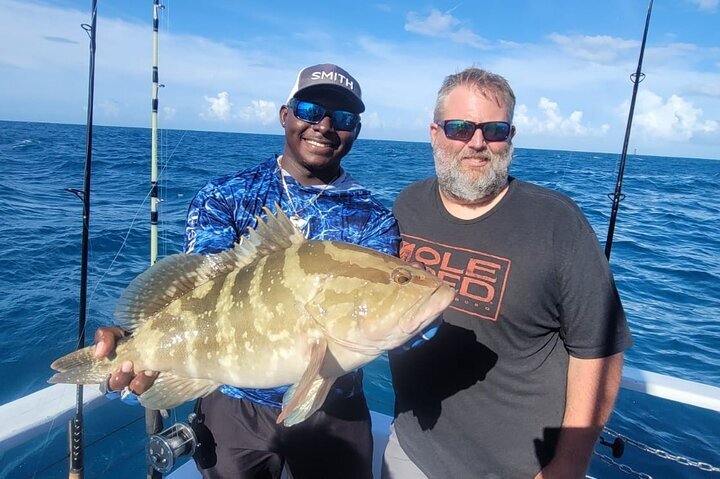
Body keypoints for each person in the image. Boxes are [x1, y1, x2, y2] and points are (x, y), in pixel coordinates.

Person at [93, 63, 400, 479]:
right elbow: (200, 289)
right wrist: (137, 346)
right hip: (231, 402)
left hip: (335, 407)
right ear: (285, 115)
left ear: (356, 131)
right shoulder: (226, 196)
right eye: (310, 109)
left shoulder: (374, 217)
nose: (324, 126)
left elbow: (379, 315)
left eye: (343, 118)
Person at [382, 67, 633, 478]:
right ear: (434, 133)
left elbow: (600, 350)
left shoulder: (557, 222)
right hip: (410, 452)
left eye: (494, 130)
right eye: (460, 127)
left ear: (510, 137)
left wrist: (568, 464)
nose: (477, 142)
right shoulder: (407, 206)